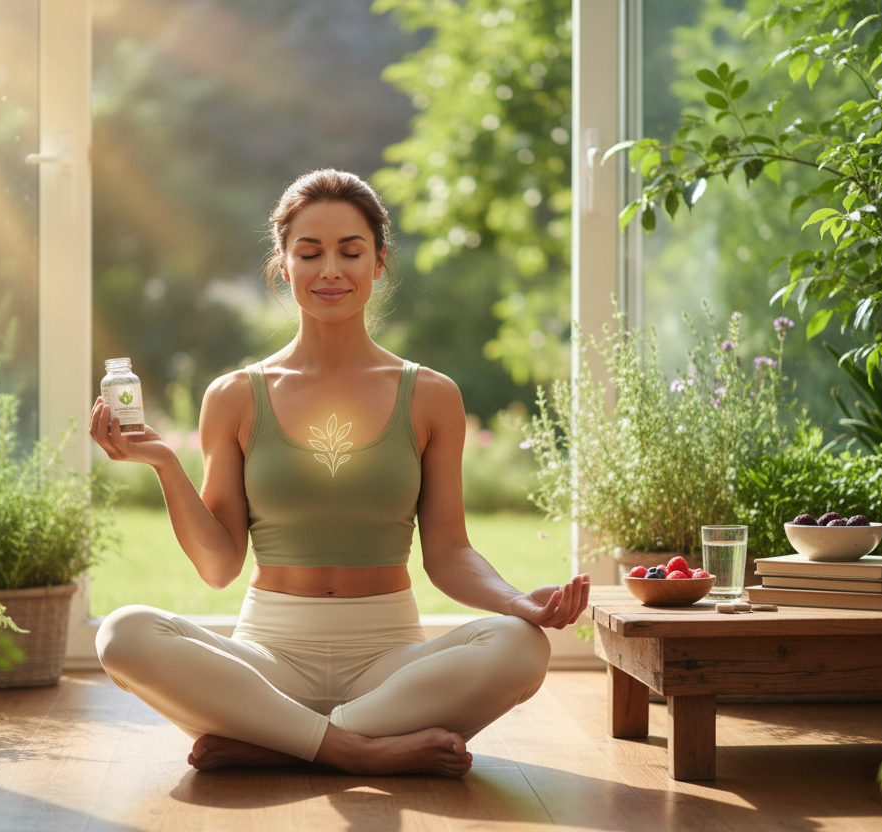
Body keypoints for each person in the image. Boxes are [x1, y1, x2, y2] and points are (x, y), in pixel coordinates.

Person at [90, 169, 590, 778]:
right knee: (121, 633)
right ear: (283, 264)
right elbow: (219, 566)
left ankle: (276, 742)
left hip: (389, 664)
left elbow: (449, 553)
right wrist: (165, 464)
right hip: (266, 660)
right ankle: (359, 750)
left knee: (520, 648)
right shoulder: (234, 396)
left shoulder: (431, 395)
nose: (331, 269)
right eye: (310, 252)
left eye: (351, 252)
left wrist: (518, 602)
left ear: (379, 263)